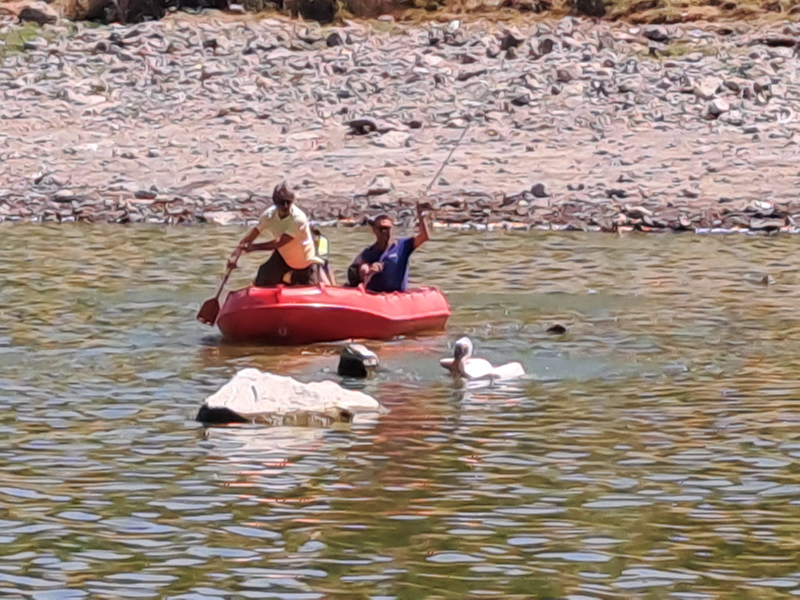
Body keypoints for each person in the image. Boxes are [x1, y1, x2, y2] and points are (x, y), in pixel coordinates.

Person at [229, 182, 321, 287]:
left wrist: (254, 247)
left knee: (306, 289)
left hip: (304, 262)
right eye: (282, 203)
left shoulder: (298, 219)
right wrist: (236, 253)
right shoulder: (268, 216)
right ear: (275, 203)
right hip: (283, 258)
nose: (285, 206)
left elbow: (279, 243)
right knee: (263, 276)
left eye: (288, 202)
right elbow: (253, 234)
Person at [346, 203, 429, 293]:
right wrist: (369, 271)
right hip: (376, 296)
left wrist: (421, 216)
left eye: (387, 229)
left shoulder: (403, 245)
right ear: (375, 230)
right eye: (381, 229)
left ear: (392, 229)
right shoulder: (369, 253)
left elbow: (424, 237)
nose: (385, 232)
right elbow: (359, 271)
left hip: (397, 297)